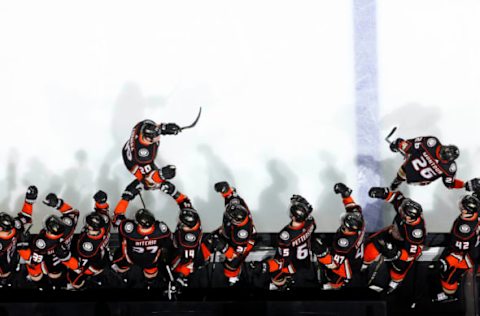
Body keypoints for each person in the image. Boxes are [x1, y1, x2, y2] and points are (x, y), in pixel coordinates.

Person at [364, 187, 426, 294]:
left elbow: (412, 254)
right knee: (371, 247)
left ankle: (395, 282)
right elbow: (397, 197)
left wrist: (396, 253)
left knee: (399, 268)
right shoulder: (405, 207)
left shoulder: (415, 233)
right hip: (393, 233)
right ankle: (364, 264)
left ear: (409, 218)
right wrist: (384, 193)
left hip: (404, 247)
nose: (400, 210)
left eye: (403, 212)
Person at [112, 182, 172, 288]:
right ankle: (149, 284)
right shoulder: (161, 229)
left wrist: (126, 197)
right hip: (151, 259)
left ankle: (120, 279)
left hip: (130, 257)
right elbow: (168, 242)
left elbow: (116, 218)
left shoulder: (130, 230)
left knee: (119, 265)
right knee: (151, 273)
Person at [20, 193, 80, 290]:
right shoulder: (68, 226)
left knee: (36, 273)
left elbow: (34, 262)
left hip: (51, 264)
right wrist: (58, 204)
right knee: (58, 273)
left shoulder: (41, 242)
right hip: (65, 257)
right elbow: (73, 213)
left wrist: (23, 244)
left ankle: (44, 287)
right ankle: (59, 285)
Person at [201, 181, 256, 286]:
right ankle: (200, 261)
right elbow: (230, 195)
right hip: (227, 232)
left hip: (241, 245)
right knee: (207, 242)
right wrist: (225, 189)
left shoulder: (241, 234)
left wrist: (223, 247)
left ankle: (233, 278)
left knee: (231, 266)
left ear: (236, 221)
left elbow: (235, 254)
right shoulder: (236, 204)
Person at [314, 183, 365, 289]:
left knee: (334, 279)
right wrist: (346, 195)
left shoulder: (343, 243)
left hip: (347, 266)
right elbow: (353, 208)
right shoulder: (360, 222)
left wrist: (321, 254)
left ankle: (335, 286)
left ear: (346, 228)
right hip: (355, 256)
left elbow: (334, 264)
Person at [261, 194, 316, 290]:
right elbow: (310, 216)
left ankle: (282, 286)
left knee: (276, 275)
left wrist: (265, 265)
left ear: (293, 217)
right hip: (305, 259)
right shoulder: (310, 222)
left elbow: (284, 260)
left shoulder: (286, 234)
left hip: (292, 262)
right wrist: (302, 202)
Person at [432, 194, 480, 303]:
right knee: (446, 269)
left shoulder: (464, 229)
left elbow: (460, 251)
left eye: (463, 207)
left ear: (466, 211)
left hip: (466, 257)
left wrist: (447, 261)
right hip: (467, 251)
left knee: (449, 276)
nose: (460, 208)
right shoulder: (475, 216)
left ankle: (450, 295)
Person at [388, 135, 478, 191]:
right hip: (414, 171)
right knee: (404, 171)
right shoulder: (432, 144)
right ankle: (396, 182)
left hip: (419, 178)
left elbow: (450, 183)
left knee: (404, 171)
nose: (440, 154)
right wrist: (401, 144)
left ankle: (396, 182)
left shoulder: (432, 143)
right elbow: (412, 145)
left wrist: (400, 144)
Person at [67, 190, 111, 290]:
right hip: (101, 257)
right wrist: (101, 203)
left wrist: (65, 258)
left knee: (75, 280)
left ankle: (79, 287)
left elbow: (79, 268)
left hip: (92, 265)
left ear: (91, 228)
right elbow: (103, 212)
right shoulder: (105, 223)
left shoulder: (86, 247)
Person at [0, 186, 38, 287]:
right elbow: (25, 217)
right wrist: (29, 201)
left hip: (16, 261)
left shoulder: (15, 225)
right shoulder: (15, 226)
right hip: (9, 265)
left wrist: (29, 201)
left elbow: (25, 217)